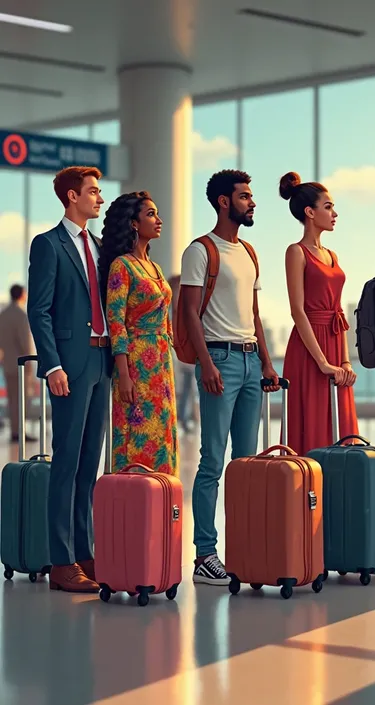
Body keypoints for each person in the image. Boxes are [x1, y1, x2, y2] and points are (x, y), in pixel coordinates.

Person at [180, 169, 279, 586]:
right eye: (244, 197)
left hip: (251, 359)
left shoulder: (251, 252)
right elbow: (188, 312)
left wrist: (268, 363)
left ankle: (245, 547)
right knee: (211, 461)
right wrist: (207, 364)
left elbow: (254, 314)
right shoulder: (200, 251)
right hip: (219, 358)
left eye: (251, 197)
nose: (251, 202)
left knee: (247, 464)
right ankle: (205, 554)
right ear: (224, 202)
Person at [28, 166, 112, 593]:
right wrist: (53, 365)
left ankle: (84, 552)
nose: (99, 198)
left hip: (101, 363)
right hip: (70, 367)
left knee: (88, 467)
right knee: (65, 464)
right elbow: (38, 311)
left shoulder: (99, 247)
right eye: (93, 192)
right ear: (70, 197)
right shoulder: (49, 245)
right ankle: (61, 562)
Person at [99, 191, 178, 475]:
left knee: (163, 434)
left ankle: (161, 502)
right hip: (136, 364)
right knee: (136, 433)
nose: (159, 220)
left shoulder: (154, 267)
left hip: (161, 364)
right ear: (134, 223)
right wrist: (123, 373)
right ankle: (132, 506)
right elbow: (116, 320)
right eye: (151, 214)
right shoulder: (122, 266)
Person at [280, 172, 358, 454]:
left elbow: (339, 312)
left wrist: (346, 361)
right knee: (312, 426)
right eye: (328, 207)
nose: (334, 213)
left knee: (342, 427)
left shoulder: (333, 255)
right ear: (309, 212)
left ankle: (340, 494)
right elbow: (297, 311)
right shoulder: (296, 252)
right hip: (309, 348)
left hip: (335, 343)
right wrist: (323, 363)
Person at [0, 284, 36, 443]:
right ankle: (20, 432)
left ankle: (15, 431)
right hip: (21, 365)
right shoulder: (21, 315)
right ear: (21, 295)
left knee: (12, 400)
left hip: (7, 363)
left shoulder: (3, 314)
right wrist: (31, 362)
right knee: (23, 399)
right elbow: (25, 342)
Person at [169, 273, 197, 434]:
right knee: (184, 388)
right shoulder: (175, 307)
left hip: (184, 351)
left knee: (188, 387)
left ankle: (186, 419)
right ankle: (183, 419)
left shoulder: (181, 306)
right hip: (178, 351)